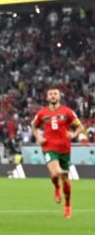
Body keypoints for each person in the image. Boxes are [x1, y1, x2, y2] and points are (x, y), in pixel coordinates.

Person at [32, 87, 86, 219]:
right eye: (50, 94)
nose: (53, 96)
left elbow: (80, 127)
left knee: (65, 178)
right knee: (56, 172)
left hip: (65, 149)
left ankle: (67, 204)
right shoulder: (41, 113)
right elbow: (34, 127)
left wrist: (73, 134)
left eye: (55, 94)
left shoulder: (67, 112)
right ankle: (57, 187)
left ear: (59, 96)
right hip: (49, 147)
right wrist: (39, 138)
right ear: (47, 97)